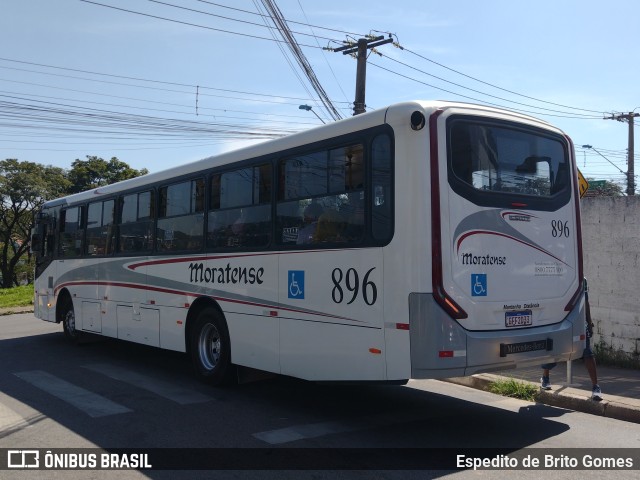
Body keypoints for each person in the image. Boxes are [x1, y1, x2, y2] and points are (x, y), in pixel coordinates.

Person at [540, 278, 602, 401]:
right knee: (554, 351)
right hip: (560, 322)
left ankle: (596, 387)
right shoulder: (555, 279)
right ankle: (545, 378)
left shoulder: (582, 280)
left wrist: (589, 322)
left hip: (575, 322)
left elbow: (586, 302)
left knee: (587, 353)